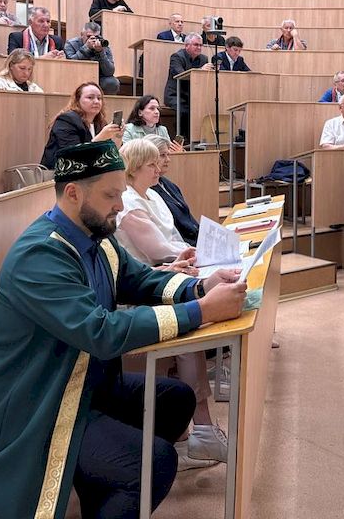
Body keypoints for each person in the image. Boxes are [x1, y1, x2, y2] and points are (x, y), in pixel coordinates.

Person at [0, 140, 246, 518]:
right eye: (111, 195)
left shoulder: (96, 236)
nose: (120, 205)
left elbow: (141, 280)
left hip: (83, 384)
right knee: (154, 463)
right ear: (72, 193)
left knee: (176, 400)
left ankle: (101, 488)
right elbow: (100, 332)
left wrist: (200, 287)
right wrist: (201, 311)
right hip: (36, 403)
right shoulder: (40, 254)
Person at [113, 139, 229, 468]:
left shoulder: (154, 195)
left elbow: (173, 243)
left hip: (160, 277)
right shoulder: (128, 203)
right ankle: (200, 427)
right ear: (133, 168)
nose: (159, 168)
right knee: (187, 328)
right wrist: (186, 260)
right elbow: (156, 252)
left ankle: (191, 428)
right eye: (151, 164)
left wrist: (188, 259)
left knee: (199, 305)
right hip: (137, 294)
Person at [40, 83, 122, 169]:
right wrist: (101, 137)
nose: (96, 101)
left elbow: (110, 154)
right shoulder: (66, 120)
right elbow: (75, 156)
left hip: (91, 172)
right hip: (60, 173)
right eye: (90, 97)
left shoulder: (100, 123)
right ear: (77, 100)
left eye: (99, 98)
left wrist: (118, 136)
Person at [147, 135, 198, 245]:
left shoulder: (168, 184)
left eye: (168, 155)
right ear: (149, 158)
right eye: (163, 155)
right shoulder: (148, 191)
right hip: (184, 246)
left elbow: (188, 216)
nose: (168, 160)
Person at [164, 34, 208, 141]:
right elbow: (181, 75)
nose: (199, 47)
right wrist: (200, 71)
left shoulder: (204, 59)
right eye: (196, 45)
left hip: (193, 96)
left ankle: (200, 139)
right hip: (176, 95)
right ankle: (184, 139)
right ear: (187, 45)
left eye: (201, 45)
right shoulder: (177, 57)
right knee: (186, 110)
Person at [65, 22, 120, 94]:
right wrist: (86, 48)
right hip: (77, 75)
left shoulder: (103, 45)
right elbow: (70, 65)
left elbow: (109, 72)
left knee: (112, 82)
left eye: (96, 37)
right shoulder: (71, 43)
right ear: (82, 35)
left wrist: (101, 52)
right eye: (89, 36)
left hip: (98, 77)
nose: (93, 40)